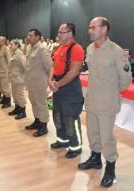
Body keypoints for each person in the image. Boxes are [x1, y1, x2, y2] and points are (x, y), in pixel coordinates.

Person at [78, 17, 132, 187]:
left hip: (107, 102)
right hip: (92, 99)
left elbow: (125, 78)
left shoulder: (116, 52)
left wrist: (113, 92)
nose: (89, 31)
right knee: (92, 132)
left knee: (107, 137)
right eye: (89, 28)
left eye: (93, 27)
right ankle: (95, 158)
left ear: (104, 29)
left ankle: (110, 166)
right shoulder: (90, 48)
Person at [48, 23, 85, 158]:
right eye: (58, 32)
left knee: (70, 117)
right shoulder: (58, 48)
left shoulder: (77, 49)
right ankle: (62, 140)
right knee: (57, 115)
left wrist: (58, 85)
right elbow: (53, 66)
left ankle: (75, 146)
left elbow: (74, 71)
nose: (58, 35)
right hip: (58, 85)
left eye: (61, 32)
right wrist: (50, 80)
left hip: (70, 88)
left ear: (70, 33)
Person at [25, 28, 52, 137]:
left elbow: (49, 67)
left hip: (39, 83)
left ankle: (43, 125)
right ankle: (37, 121)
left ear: (37, 37)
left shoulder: (42, 49)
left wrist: (49, 80)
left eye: (31, 35)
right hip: (31, 82)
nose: (28, 37)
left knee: (41, 104)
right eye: (28, 35)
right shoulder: (30, 48)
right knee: (34, 103)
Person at [8, 40, 27, 119]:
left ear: (16, 45)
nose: (10, 46)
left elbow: (25, 66)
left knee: (20, 95)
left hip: (19, 79)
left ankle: (23, 111)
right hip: (13, 78)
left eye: (11, 44)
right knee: (15, 95)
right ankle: (17, 108)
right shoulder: (13, 53)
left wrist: (21, 75)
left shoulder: (19, 54)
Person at [0, 36, 11, 108]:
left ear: (3, 42)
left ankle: (8, 101)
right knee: (1, 86)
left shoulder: (6, 49)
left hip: (5, 71)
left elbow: (9, 60)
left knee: (5, 86)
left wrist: (9, 71)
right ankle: (4, 98)